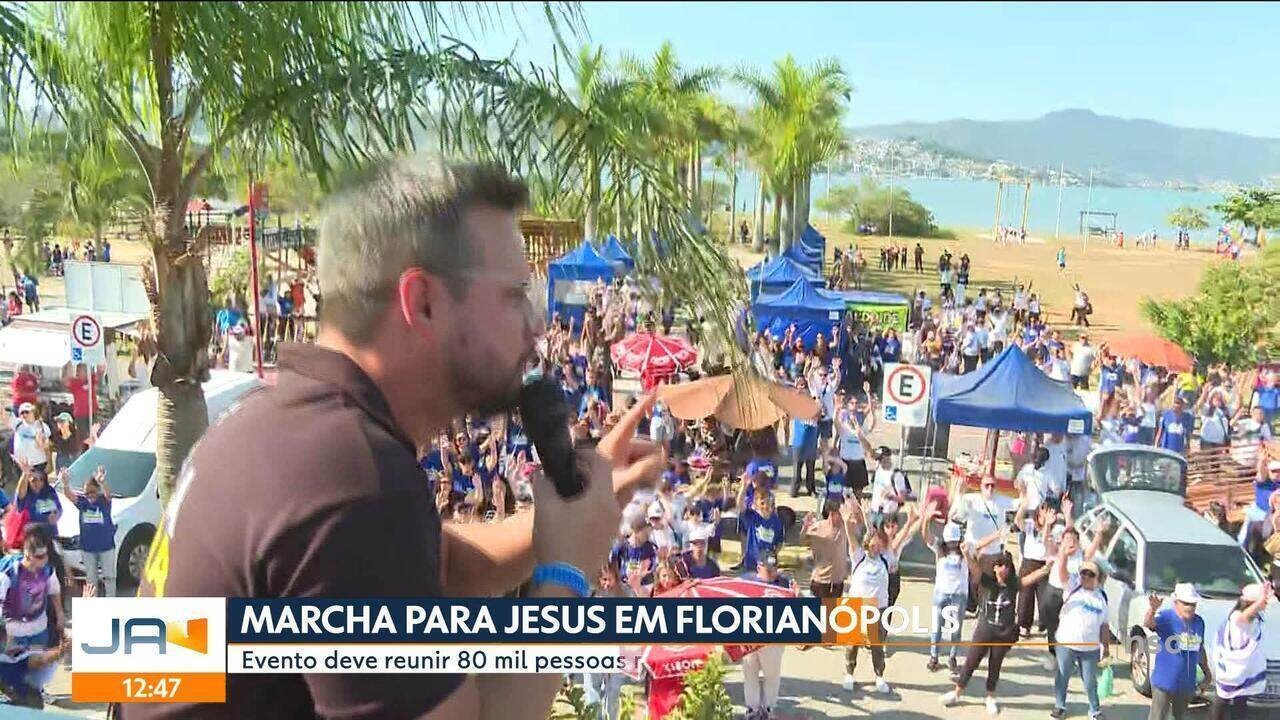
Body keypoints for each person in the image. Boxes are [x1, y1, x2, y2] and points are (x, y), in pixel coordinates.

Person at [128, 157, 664, 719]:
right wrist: (567, 579)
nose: (535, 325)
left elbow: (443, 568)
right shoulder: (348, 479)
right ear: (423, 302)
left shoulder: (275, 425)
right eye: (513, 295)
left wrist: (574, 514)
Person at [940, 551, 1054, 714]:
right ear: (994, 568)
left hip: (1004, 631)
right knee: (971, 661)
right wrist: (966, 554)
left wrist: (1045, 569)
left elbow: (1029, 579)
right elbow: (975, 569)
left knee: (995, 664)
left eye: (1006, 566)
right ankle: (957, 692)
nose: (1003, 569)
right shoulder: (987, 582)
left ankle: (990, 697)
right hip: (985, 629)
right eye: (1000, 565)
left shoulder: (1013, 584)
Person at [842, 497, 893, 695]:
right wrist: (850, 520)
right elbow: (852, 536)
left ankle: (879, 677)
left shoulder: (886, 558)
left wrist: (867, 515)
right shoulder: (858, 556)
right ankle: (849, 673)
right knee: (852, 642)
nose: (876, 544)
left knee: (877, 645)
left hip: (878, 608)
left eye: (879, 542)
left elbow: (876, 534)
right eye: (873, 542)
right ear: (867, 543)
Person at [1050, 557, 1111, 720]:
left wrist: (1106, 648)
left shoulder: (1102, 597)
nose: (1085, 577)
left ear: (1097, 578)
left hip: (1090, 649)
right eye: (1083, 573)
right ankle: (1060, 706)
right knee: (1063, 676)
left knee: (1090, 681)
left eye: (1090, 574)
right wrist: (1063, 553)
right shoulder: (1072, 588)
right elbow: (1062, 572)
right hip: (1066, 644)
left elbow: (1104, 625)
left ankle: (1094, 710)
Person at [1145, 583, 1213, 720]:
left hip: (1186, 683)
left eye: (1193, 604)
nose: (1190, 607)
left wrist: (1207, 673)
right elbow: (1148, 624)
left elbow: (1200, 648)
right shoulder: (1166, 618)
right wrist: (1152, 609)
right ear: (1176, 602)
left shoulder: (1199, 622)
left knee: (1179, 716)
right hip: (1164, 681)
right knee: (1157, 717)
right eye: (1186, 604)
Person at [740, 553, 793, 718]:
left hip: (773, 639)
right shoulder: (746, 581)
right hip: (750, 637)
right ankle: (752, 708)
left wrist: (797, 593)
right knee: (750, 673)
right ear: (758, 568)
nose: (771, 573)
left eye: (774, 569)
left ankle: (769, 707)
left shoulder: (784, 584)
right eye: (767, 569)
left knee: (772, 675)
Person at [1210, 583, 1272, 720]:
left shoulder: (1255, 618)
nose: (1266, 603)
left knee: (1241, 703)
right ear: (1252, 603)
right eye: (1263, 602)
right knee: (1222, 700)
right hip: (1232, 668)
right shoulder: (1237, 616)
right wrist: (1260, 600)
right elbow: (1242, 618)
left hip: (1244, 670)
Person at [0, 533, 65, 650]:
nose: (45, 559)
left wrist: (60, 614)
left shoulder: (48, 570)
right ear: (28, 556)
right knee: (16, 666)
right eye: (39, 557)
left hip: (39, 630)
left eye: (46, 555)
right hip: (13, 633)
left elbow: (54, 591)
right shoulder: (8, 572)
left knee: (38, 666)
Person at [922, 510, 968, 674]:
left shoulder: (966, 552)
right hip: (941, 593)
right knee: (937, 627)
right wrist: (926, 519)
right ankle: (934, 657)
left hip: (959, 595)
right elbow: (926, 536)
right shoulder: (940, 550)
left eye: (955, 542)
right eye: (950, 543)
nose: (953, 546)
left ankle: (952, 657)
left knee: (955, 629)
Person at [61, 466, 116, 597]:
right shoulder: (83, 502)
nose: (89, 495)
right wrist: (65, 483)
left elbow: (109, 494)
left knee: (109, 577)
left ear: (97, 490)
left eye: (92, 492)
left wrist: (103, 482)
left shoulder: (104, 501)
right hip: (88, 548)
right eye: (86, 493)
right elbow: (69, 495)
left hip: (106, 547)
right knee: (91, 579)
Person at [801, 500, 849, 599]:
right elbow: (802, 541)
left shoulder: (845, 527)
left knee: (833, 613)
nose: (842, 516)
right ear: (832, 513)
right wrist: (805, 527)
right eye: (840, 513)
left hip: (837, 582)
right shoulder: (817, 528)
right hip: (820, 581)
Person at [10, 403, 51, 478]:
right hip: (20, 465)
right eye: (22, 413)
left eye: (27, 412)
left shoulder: (42, 426)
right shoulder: (17, 424)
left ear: (33, 412)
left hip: (37, 465)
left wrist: (49, 463)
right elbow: (4, 414)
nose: (24, 414)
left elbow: (46, 447)